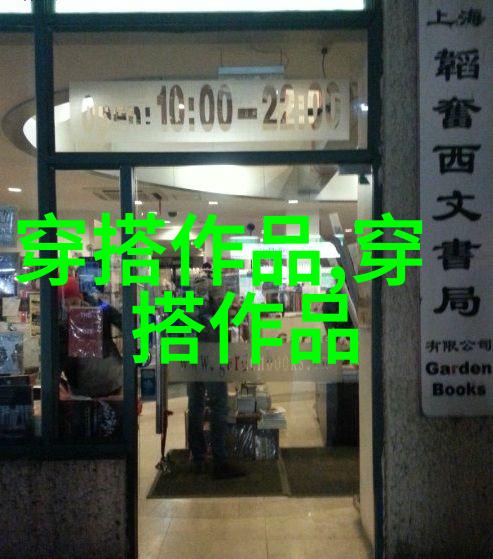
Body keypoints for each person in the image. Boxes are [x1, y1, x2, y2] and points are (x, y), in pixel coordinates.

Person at [187, 262, 245, 479]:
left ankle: (198, 459)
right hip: (211, 353)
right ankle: (219, 461)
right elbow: (221, 322)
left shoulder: (190, 290)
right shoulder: (217, 290)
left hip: (191, 355)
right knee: (219, 405)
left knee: (196, 406)